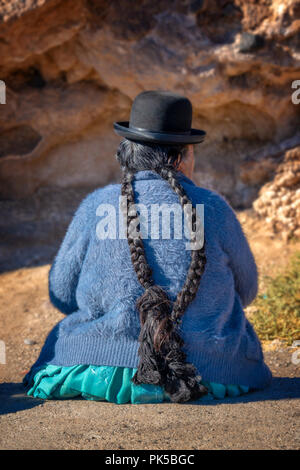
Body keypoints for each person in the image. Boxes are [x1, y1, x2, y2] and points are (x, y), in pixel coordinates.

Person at [23, 90, 272, 404]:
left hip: (96, 370)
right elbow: (246, 291)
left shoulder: (95, 205)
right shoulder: (215, 208)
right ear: (182, 157)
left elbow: (60, 293)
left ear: (128, 153)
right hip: (208, 374)